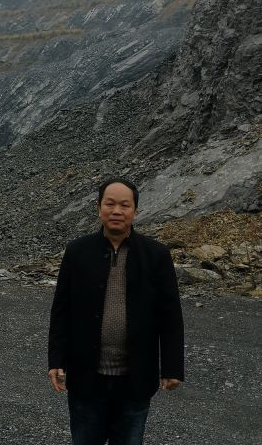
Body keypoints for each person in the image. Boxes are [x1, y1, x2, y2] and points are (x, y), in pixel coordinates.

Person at [48, 177, 184, 445]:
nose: (117, 211)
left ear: (135, 211)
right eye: (110, 204)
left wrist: (172, 367)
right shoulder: (77, 252)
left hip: (135, 382)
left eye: (125, 205)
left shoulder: (156, 255)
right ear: (99, 207)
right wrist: (56, 360)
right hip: (86, 379)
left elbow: (170, 316)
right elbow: (61, 311)